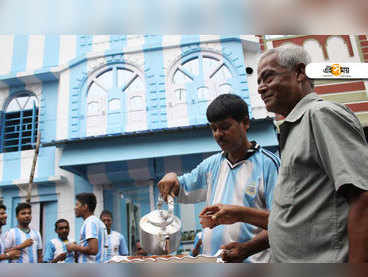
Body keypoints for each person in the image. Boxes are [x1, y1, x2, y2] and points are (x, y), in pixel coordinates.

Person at [202, 44, 368, 263]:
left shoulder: (320, 115)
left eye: (268, 78)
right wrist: (245, 242)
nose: (261, 88)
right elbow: (293, 219)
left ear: (300, 73)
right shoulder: (295, 128)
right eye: (259, 81)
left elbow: (363, 199)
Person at [158, 94, 280, 262]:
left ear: (245, 123)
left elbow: (282, 223)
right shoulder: (211, 165)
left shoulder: (269, 164)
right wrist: (171, 176)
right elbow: (181, 187)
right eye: (213, 128)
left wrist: (246, 249)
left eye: (224, 127)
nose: (218, 134)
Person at [66, 193, 107, 263]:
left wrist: (73, 247)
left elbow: (93, 250)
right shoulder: (98, 222)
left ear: (85, 206)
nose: (74, 208)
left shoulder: (90, 222)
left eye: (77, 204)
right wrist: (79, 248)